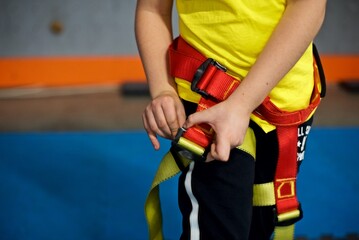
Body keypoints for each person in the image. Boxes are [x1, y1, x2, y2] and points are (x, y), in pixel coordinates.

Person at [135, 0, 327, 239]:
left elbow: (309, 6)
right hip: (208, 103)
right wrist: (163, 89)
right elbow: (152, 8)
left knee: (262, 222)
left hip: (284, 104)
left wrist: (242, 105)